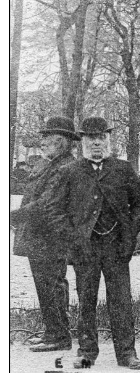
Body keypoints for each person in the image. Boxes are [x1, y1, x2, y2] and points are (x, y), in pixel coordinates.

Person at [46, 116, 140, 370]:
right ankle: (87, 352)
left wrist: (130, 234)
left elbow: (138, 206)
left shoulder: (123, 169)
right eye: (91, 139)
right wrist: (73, 239)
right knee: (86, 300)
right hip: (85, 248)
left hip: (116, 247)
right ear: (82, 142)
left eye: (101, 138)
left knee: (122, 301)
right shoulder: (69, 172)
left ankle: (127, 354)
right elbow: (54, 211)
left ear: (108, 140)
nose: (96, 144)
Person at [12, 116, 78, 352]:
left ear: (61, 142)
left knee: (53, 285)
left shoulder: (64, 166)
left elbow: (46, 203)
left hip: (52, 237)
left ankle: (59, 336)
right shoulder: (50, 164)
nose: (43, 143)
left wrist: (13, 216)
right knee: (45, 285)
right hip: (40, 236)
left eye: (48, 139)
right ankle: (53, 332)